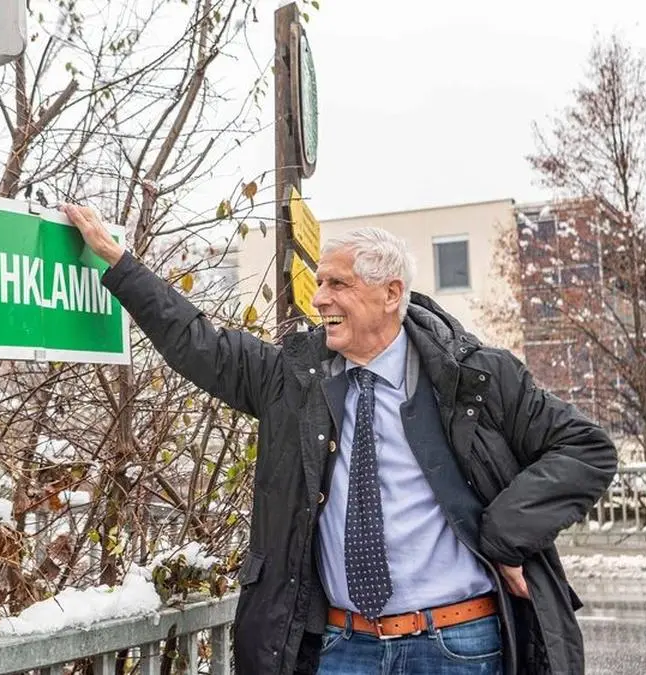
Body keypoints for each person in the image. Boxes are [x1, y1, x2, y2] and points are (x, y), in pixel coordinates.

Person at [61, 204, 617, 675]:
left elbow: (586, 449)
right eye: (319, 282)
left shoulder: (475, 377)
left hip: (458, 644)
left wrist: (505, 536)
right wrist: (119, 263)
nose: (319, 298)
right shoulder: (292, 380)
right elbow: (198, 343)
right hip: (342, 648)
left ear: (391, 293)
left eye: (338, 284)